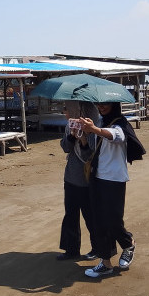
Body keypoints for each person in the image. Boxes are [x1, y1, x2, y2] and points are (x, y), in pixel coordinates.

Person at [79, 101, 144, 277]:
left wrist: (94, 129)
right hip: (97, 176)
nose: (102, 107)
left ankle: (128, 243)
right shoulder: (99, 122)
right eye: (99, 105)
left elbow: (116, 136)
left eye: (106, 104)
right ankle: (105, 262)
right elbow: (91, 149)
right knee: (99, 222)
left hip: (114, 178)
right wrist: (83, 134)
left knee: (113, 220)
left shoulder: (120, 123)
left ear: (114, 105)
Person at [56, 101, 100, 261]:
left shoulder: (93, 127)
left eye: (66, 108)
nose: (64, 111)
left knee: (91, 216)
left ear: (77, 109)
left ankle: (98, 248)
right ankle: (71, 249)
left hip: (88, 180)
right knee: (70, 215)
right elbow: (65, 147)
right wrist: (72, 136)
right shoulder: (70, 126)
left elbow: (92, 155)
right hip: (71, 178)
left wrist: (84, 140)